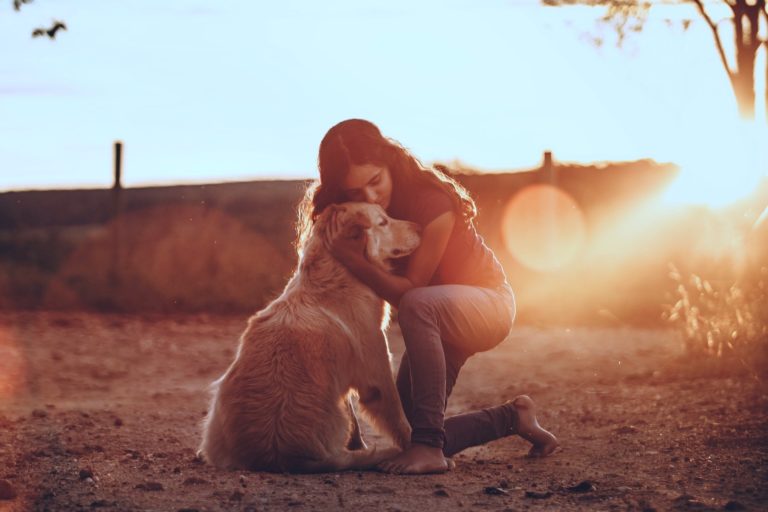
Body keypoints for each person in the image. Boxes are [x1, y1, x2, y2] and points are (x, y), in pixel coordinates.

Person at [296, 118, 559, 474]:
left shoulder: (431, 202)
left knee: (418, 305)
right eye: (356, 192)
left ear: (390, 161)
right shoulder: (356, 217)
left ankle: (430, 451)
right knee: (409, 431)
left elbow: (411, 292)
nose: (371, 197)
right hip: (436, 318)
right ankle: (513, 418)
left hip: (487, 305)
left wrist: (352, 260)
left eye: (375, 181)